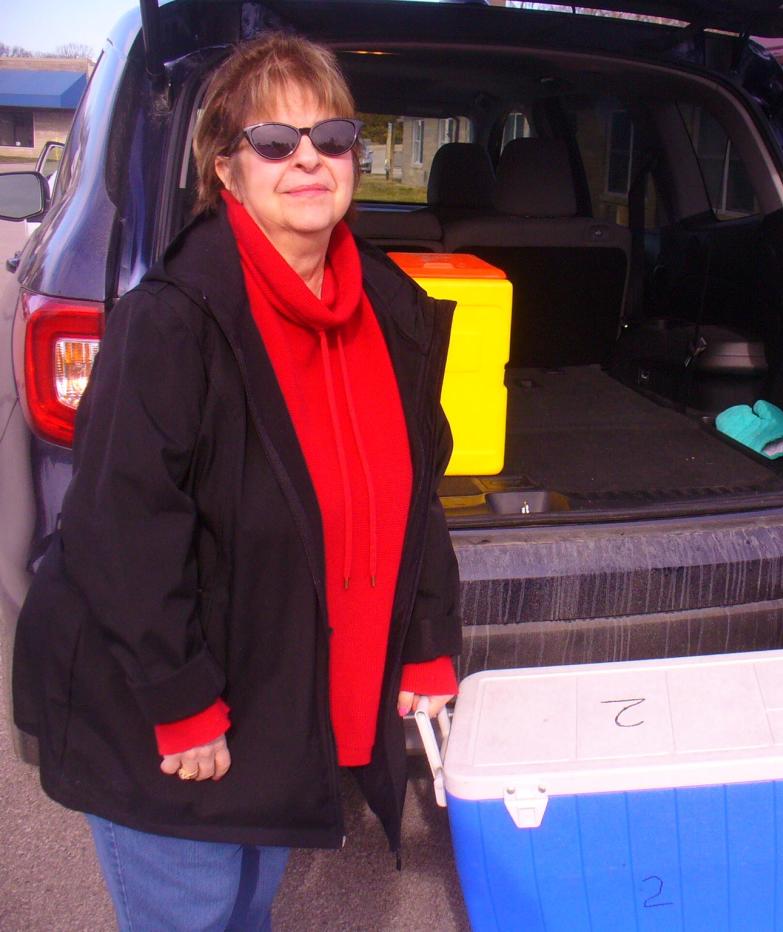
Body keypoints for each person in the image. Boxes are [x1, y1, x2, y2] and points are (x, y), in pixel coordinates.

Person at [13, 33, 462, 929]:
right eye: (274, 142)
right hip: (169, 708)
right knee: (197, 909)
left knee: (248, 907)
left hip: (280, 693)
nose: (308, 158)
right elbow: (119, 532)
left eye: (332, 138)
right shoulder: (171, 322)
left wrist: (426, 640)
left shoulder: (391, 310)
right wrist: (181, 706)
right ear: (227, 169)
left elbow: (416, 501)